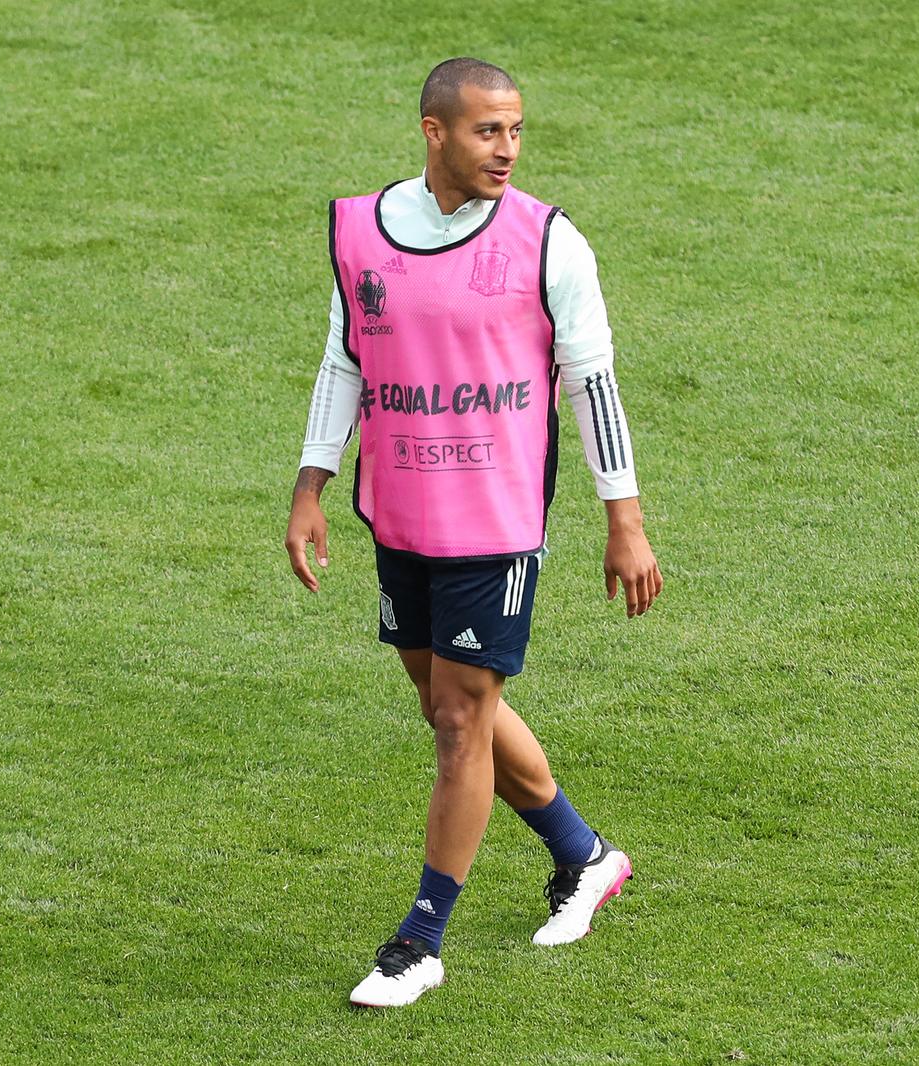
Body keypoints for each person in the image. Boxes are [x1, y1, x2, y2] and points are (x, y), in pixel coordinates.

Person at [284, 57, 665, 1008]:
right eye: (489, 131)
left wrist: (626, 520)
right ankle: (585, 856)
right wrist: (311, 486)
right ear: (434, 131)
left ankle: (419, 941)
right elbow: (344, 365)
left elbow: (595, 383)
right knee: (455, 709)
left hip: (495, 525)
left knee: (460, 720)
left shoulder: (549, 242)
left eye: (517, 131)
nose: (508, 150)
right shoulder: (362, 235)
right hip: (400, 516)